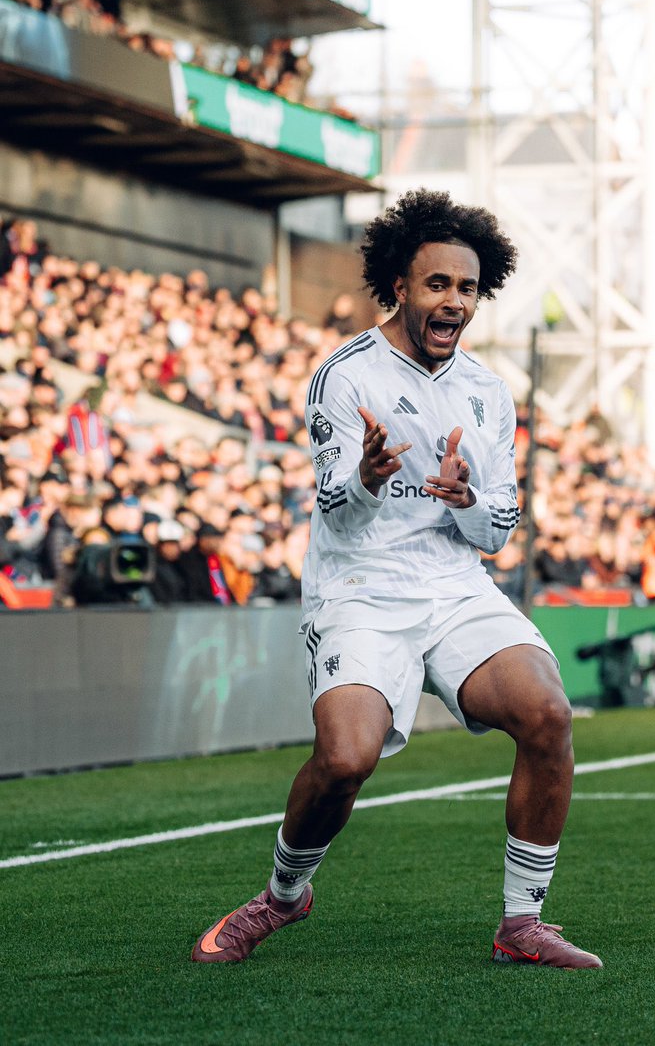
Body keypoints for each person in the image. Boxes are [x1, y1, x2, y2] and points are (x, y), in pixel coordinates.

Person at [202, 191, 600, 969]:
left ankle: (522, 925)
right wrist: (369, 478)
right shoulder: (343, 378)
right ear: (401, 287)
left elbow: (500, 528)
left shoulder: (487, 392)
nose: (454, 300)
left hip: (454, 587)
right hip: (360, 589)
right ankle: (284, 895)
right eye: (438, 284)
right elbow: (336, 515)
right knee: (346, 758)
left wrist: (467, 499)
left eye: (468, 288)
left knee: (548, 713)